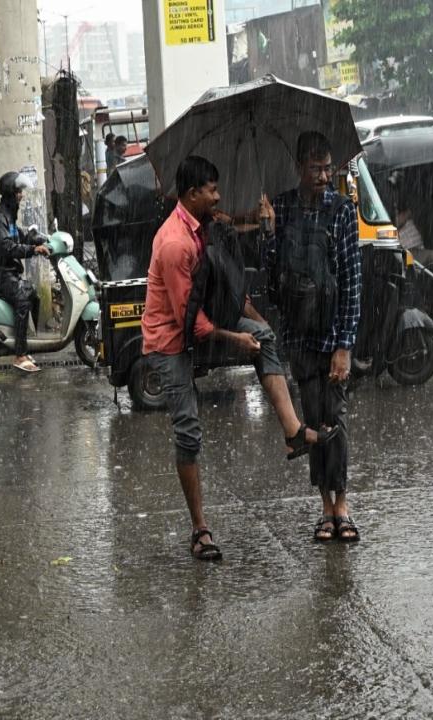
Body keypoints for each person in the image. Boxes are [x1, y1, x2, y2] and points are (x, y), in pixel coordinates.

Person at [143, 154, 332, 562]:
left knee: (264, 335)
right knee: (189, 432)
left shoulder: (207, 225)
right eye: (211, 190)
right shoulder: (176, 244)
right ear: (192, 195)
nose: (218, 196)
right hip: (171, 340)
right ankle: (200, 529)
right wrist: (237, 341)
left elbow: (228, 272)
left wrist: (259, 221)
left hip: (204, 322)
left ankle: (293, 431)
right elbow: (189, 324)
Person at [267, 131, 363, 544]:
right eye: (316, 168)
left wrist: (344, 344)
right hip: (299, 335)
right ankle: (324, 507)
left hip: (331, 333)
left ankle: (342, 504)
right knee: (312, 422)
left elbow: (351, 282)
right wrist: (268, 233)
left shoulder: (342, 211)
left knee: (335, 418)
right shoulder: (283, 207)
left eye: (328, 168)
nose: (324, 176)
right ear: (300, 169)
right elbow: (271, 279)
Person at [0, 171, 50, 373]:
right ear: (10, 193)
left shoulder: (9, 215)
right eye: (19, 191)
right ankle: (19, 355)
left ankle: (25, 343)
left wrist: (39, 239)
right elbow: (6, 247)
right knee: (22, 299)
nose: (21, 195)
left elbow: (18, 235)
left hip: (7, 269)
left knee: (34, 295)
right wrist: (32, 250)